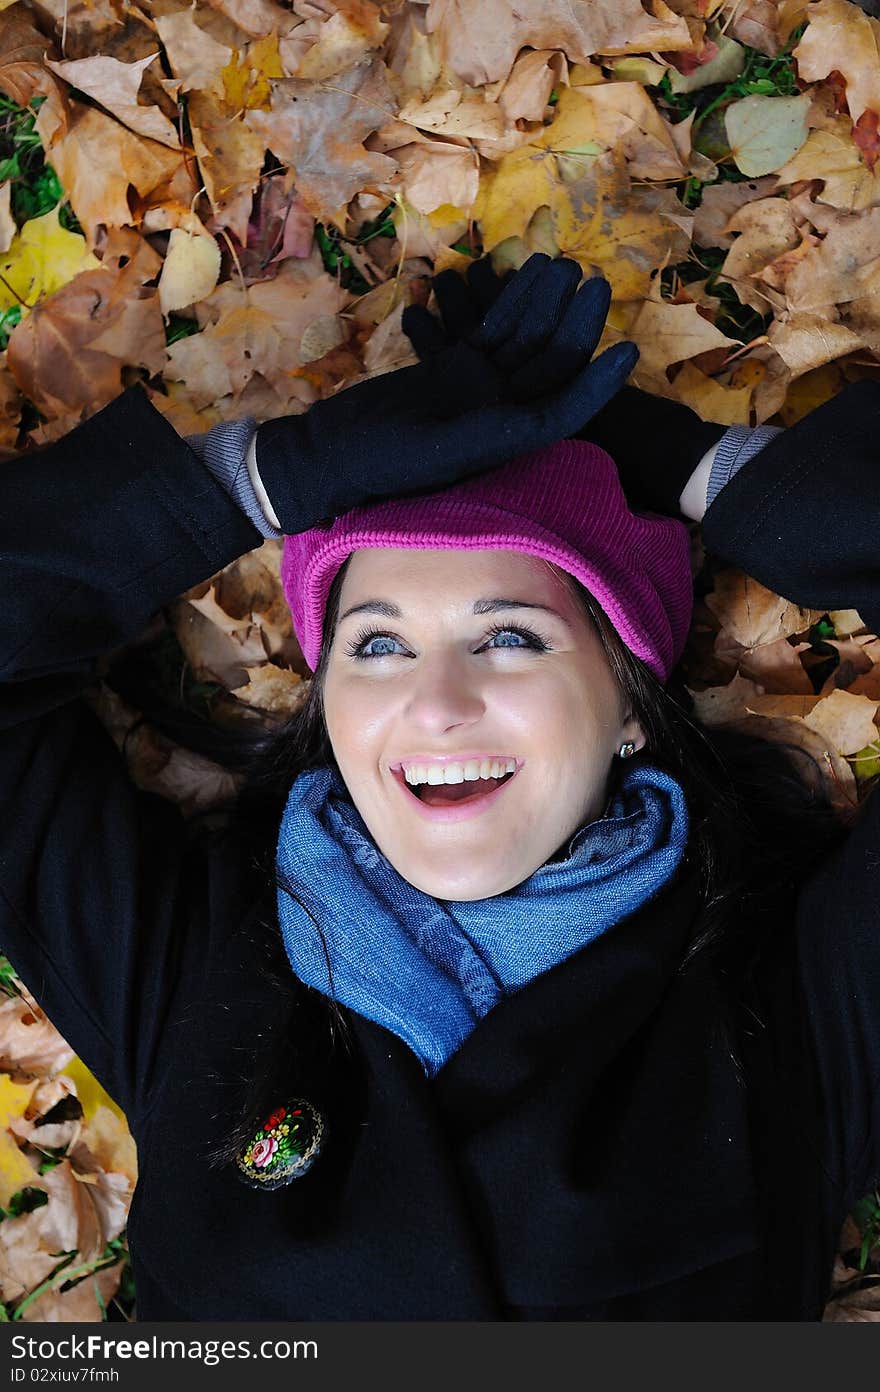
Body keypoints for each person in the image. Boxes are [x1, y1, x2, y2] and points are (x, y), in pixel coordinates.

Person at [1, 252, 878, 1321]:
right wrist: (265, 473)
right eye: (375, 648)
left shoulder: (786, 1012)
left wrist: (673, 458)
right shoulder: (201, 970)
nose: (434, 703)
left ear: (634, 712)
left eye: (509, 637)